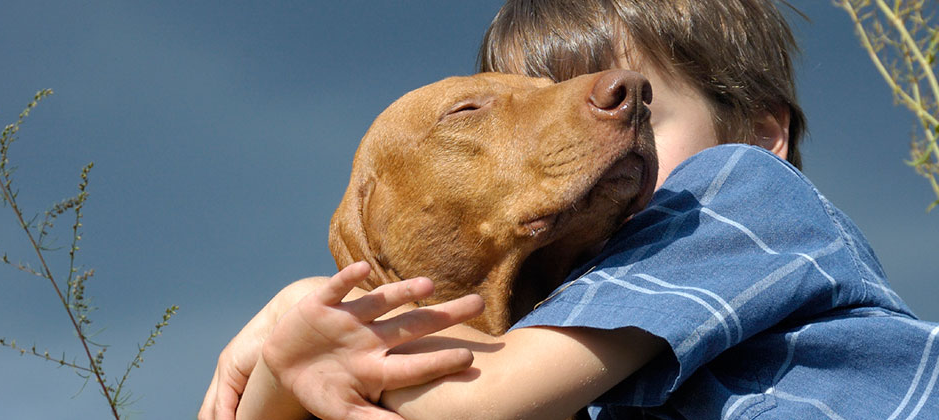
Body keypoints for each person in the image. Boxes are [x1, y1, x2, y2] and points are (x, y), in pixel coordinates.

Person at [200, 1, 939, 419]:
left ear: (762, 134)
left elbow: (477, 402)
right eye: (478, 108)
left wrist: (296, 327)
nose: (618, 99)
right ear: (371, 224)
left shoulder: (732, 199)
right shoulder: (568, 354)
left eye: (647, 97)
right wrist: (292, 361)